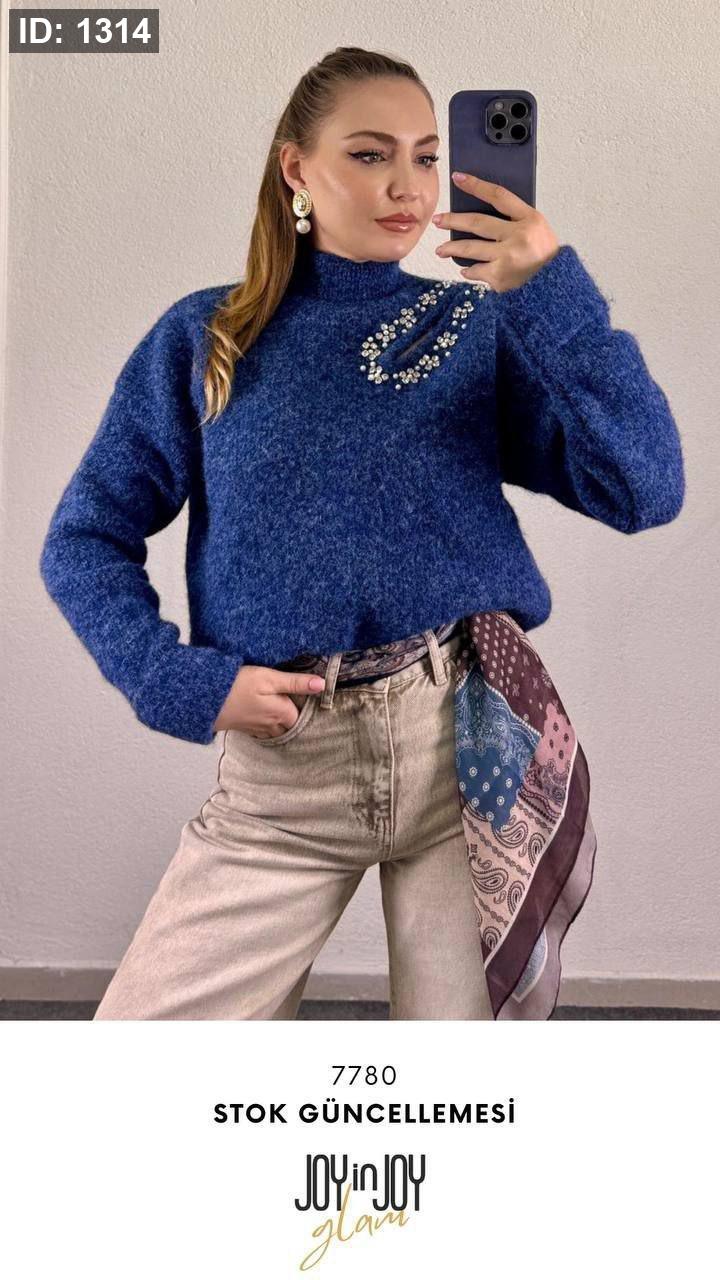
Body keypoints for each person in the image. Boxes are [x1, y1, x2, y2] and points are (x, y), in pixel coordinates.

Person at [39, 48, 685, 1020]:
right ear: (296, 167)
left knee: (454, 1089)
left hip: (465, 747)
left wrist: (550, 290)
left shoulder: (474, 327)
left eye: (427, 157)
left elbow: (645, 488)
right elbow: (85, 536)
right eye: (371, 154)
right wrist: (178, 678)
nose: (407, 186)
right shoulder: (207, 337)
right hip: (285, 771)